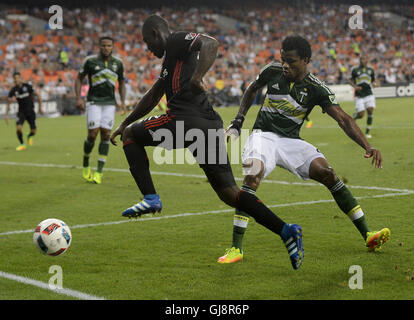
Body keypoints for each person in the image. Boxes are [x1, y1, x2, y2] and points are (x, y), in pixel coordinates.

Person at [110, 14, 304, 270]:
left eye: (148, 42)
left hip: (183, 121)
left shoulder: (176, 41)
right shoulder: (170, 60)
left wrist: (197, 77)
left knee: (131, 137)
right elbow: (154, 93)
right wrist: (125, 121)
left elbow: (211, 43)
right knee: (230, 193)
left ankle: (150, 197)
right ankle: (286, 230)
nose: (147, 48)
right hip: (208, 125)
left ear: (157, 34)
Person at [218, 36, 390, 264]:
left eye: (291, 61)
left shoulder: (317, 88)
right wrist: (238, 120)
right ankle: (235, 249)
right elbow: (252, 90)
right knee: (252, 175)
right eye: (283, 59)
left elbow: (343, 119)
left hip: (291, 141)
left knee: (328, 173)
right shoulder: (272, 71)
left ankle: (368, 234)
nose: (285, 65)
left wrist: (368, 146)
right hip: (263, 136)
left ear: (306, 61)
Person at [75, 36, 126, 184]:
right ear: (99, 46)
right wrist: (78, 98)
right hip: (93, 102)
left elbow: (122, 83)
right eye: (103, 45)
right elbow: (79, 78)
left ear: (113, 47)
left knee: (106, 134)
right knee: (92, 134)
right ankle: (85, 161)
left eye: (109, 46)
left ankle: (99, 172)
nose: (106, 48)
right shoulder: (90, 61)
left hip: (110, 103)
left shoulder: (118, 63)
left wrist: (122, 102)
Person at [6, 72, 43, 151]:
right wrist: (6, 115)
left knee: (33, 130)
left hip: (30, 111)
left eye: (17, 78)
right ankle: (22, 144)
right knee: (18, 128)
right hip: (21, 112)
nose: (16, 79)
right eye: (14, 78)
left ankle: (29, 136)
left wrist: (40, 108)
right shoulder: (13, 90)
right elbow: (8, 101)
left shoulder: (27, 86)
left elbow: (38, 95)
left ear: (20, 78)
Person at [349, 55, 377, 139]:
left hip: (369, 93)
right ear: (359, 60)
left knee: (370, 110)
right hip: (359, 95)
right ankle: (355, 116)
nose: (363, 61)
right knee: (361, 115)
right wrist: (355, 86)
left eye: (364, 59)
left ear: (367, 60)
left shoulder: (371, 70)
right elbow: (350, 80)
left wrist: (375, 84)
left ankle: (367, 132)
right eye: (361, 59)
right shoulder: (355, 70)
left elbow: (373, 80)